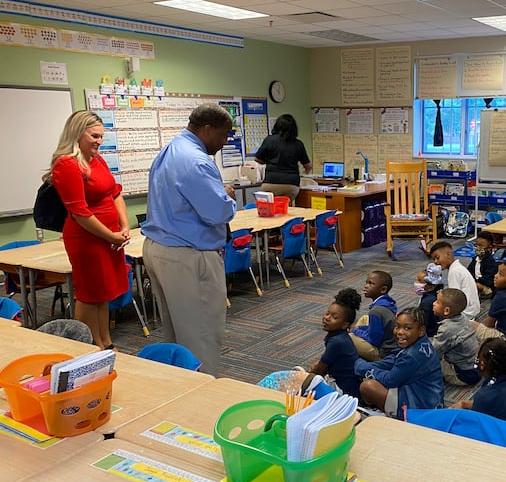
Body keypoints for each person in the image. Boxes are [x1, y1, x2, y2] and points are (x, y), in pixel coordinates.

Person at [142, 103, 237, 377]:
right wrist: (227, 195)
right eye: (223, 135)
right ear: (207, 130)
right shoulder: (196, 161)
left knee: (176, 331)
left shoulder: (170, 150)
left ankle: (179, 388)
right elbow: (216, 212)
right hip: (187, 255)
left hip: (160, 248)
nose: (223, 142)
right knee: (201, 334)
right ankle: (202, 394)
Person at [48, 111, 129, 350]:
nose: (98, 141)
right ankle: (87, 347)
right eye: (94, 136)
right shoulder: (67, 165)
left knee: (102, 293)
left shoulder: (98, 160)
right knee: (89, 293)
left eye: (101, 136)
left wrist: (123, 226)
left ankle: (105, 342)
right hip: (87, 239)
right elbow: (79, 212)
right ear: (77, 133)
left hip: (109, 237)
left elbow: (115, 193)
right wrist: (111, 235)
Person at [355, 307, 444, 418]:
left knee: (368, 386)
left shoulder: (412, 356)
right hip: (427, 398)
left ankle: (391, 415)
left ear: (421, 330)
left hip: (420, 408)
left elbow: (390, 380)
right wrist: (365, 366)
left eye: (407, 328)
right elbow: (392, 360)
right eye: (397, 327)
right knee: (371, 373)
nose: (400, 332)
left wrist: (364, 368)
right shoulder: (420, 342)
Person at [450, 337, 506, 452]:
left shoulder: (485, 395)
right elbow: (493, 406)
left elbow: (476, 428)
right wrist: (464, 404)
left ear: (482, 364)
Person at [306, 288, 362, 399]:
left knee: (303, 383)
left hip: (344, 389)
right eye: (327, 313)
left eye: (334, 317)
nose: (327, 318)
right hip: (345, 382)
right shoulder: (339, 336)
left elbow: (320, 370)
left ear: (345, 325)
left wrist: (307, 377)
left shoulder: (337, 341)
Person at [253, 113, 311, 203]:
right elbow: (308, 166)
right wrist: (305, 172)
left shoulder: (269, 140)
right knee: (285, 209)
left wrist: (268, 161)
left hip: (270, 183)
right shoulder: (298, 144)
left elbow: (257, 159)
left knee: (269, 211)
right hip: (291, 184)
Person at [431, 288, 480, 386]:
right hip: (476, 368)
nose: (433, 303)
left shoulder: (447, 329)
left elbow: (434, 352)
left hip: (463, 375)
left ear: (446, 311)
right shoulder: (463, 318)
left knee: (425, 360)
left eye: (437, 302)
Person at [350, 270, 397, 361]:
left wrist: (356, 331)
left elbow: (374, 340)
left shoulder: (376, 311)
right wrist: (360, 329)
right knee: (365, 318)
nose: (366, 286)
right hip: (390, 342)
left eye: (371, 284)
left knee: (348, 337)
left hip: (384, 352)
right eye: (366, 282)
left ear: (383, 289)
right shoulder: (388, 301)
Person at [429, 240, 480, 320]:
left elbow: (453, 298)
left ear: (448, 255)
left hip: (467, 312)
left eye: (437, 258)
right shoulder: (457, 268)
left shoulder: (454, 271)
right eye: (434, 259)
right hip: (472, 309)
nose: (436, 262)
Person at [415, 262, 443, 338]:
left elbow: (422, 322)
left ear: (431, 286)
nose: (416, 283)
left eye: (420, 281)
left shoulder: (427, 302)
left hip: (429, 334)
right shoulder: (437, 294)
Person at [467, 231, 498, 297]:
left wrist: (476, 281)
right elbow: (469, 271)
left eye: (481, 246)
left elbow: (489, 280)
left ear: (489, 247)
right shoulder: (475, 259)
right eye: (476, 245)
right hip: (475, 283)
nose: (478, 248)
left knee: (474, 285)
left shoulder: (490, 262)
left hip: (487, 288)